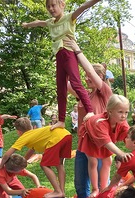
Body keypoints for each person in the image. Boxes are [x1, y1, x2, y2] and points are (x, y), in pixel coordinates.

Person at [22, 0, 101, 130]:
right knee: (60, 88)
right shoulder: (50, 22)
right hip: (59, 56)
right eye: (48, 7)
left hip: (69, 53)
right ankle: (61, 120)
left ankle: (90, 111)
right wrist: (27, 24)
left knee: (76, 83)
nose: (51, 9)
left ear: (62, 5)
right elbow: (38, 22)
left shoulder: (69, 18)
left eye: (53, 5)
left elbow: (83, 6)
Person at [64, 38, 113, 198]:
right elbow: (66, 81)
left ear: (100, 76)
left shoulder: (105, 92)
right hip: (83, 145)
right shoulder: (84, 95)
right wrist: (65, 57)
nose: (86, 78)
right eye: (85, 76)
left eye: (90, 75)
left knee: (99, 186)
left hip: (99, 144)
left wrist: (77, 51)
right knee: (80, 185)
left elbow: (90, 72)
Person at [0, 117, 72, 198]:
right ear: (31, 127)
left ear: (19, 132)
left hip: (56, 138)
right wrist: (24, 162)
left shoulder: (24, 136)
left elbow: (7, 154)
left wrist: (1, 165)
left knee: (44, 165)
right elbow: (32, 150)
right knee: (59, 165)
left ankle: (58, 191)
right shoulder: (35, 133)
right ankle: (62, 191)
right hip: (66, 135)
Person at [78, 94, 132, 198]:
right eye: (120, 112)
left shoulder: (122, 122)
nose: (124, 116)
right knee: (93, 161)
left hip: (105, 136)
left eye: (126, 112)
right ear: (110, 111)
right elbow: (106, 142)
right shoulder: (100, 122)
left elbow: (129, 136)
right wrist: (121, 153)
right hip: (90, 137)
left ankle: (104, 188)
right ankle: (95, 189)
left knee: (108, 161)